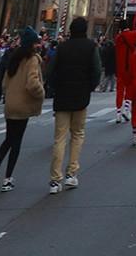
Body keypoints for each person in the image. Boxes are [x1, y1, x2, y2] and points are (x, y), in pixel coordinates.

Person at [48, 17, 101, 194]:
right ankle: (71, 173)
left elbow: (50, 72)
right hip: (81, 96)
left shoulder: (62, 48)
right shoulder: (91, 47)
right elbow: (96, 71)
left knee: (59, 138)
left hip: (62, 96)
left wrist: (56, 87)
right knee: (77, 134)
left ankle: (55, 180)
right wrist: (89, 87)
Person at [0, 27, 43, 192]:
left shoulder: (14, 58)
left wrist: (10, 95)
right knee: (17, 141)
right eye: (36, 42)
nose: (38, 45)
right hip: (23, 104)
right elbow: (32, 83)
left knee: (8, 138)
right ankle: (7, 179)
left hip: (10, 104)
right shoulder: (32, 59)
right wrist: (41, 92)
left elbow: (5, 83)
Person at [114, 18, 136, 124]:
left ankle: (118, 113)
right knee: (130, 88)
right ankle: (126, 109)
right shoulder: (132, 34)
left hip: (120, 67)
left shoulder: (118, 38)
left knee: (120, 90)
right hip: (130, 67)